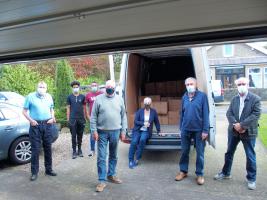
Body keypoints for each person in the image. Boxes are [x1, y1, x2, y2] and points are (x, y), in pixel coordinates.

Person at [214, 77, 261, 190]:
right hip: (234, 131)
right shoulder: (234, 99)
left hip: (248, 132)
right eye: (239, 84)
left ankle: (251, 179)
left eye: (243, 84)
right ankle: (226, 173)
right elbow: (229, 113)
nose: (241, 86)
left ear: (248, 85)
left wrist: (243, 125)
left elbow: (256, 115)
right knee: (229, 152)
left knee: (250, 156)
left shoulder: (256, 99)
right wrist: (235, 124)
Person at [90, 80, 127, 192]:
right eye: (108, 86)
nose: (110, 88)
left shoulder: (120, 99)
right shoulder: (99, 99)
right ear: (105, 87)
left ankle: (111, 175)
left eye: (112, 86)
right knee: (101, 157)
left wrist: (123, 131)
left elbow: (123, 116)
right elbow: (93, 117)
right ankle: (102, 180)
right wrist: (94, 131)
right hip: (102, 132)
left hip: (115, 131)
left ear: (115, 87)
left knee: (113, 155)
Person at [175, 77, 209, 185]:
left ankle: (199, 174)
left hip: (199, 130)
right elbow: (182, 113)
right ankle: (183, 171)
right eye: (187, 84)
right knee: (184, 151)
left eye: (191, 84)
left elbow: (206, 114)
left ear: (196, 84)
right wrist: (181, 128)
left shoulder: (202, 96)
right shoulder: (184, 97)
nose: (189, 86)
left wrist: (205, 130)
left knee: (200, 153)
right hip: (185, 129)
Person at [22, 81, 57, 181]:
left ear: (46, 88)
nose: (42, 88)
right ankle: (34, 172)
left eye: (44, 87)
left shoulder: (49, 96)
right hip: (35, 125)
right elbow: (24, 112)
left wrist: (52, 117)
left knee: (48, 148)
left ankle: (49, 170)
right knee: (35, 150)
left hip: (48, 124)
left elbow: (52, 108)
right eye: (40, 87)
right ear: (37, 87)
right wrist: (31, 120)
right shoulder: (30, 96)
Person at [128, 97, 161, 169]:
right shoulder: (140, 111)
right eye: (146, 104)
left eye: (149, 104)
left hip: (146, 131)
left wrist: (159, 131)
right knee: (134, 142)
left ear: (151, 104)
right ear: (144, 104)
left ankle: (137, 158)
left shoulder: (153, 111)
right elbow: (135, 121)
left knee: (142, 140)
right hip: (138, 130)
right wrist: (143, 123)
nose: (147, 105)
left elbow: (157, 122)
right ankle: (130, 160)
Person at [67, 80, 87, 159]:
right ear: (72, 88)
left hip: (81, 119)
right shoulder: (69, 97)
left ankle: (79, 150)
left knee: (80, 135)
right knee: (73, 136)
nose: (76, 88)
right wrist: (68, 119)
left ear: (79, 88)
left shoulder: (82, 97)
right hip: (72, 119)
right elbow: (68, 108)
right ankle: (74, 151)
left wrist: (85, 117)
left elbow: (85, 108)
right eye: (74, 87)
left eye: (77, 87)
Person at [85, 82, 103, 157]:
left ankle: (101, 150)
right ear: (90, 87)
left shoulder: (101, 94)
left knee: (102, 134)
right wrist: (87, 115)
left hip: (101, 117)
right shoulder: (88, 95)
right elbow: (86, 106)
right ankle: (92, 150)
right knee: (92, 134)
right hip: (92, 117)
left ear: (97, 86)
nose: (94, 87)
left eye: (95, 85)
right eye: (92, 86)